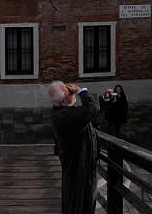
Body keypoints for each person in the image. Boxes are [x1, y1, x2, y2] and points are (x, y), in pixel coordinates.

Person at [50, 82, 96, 214]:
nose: (74, 93)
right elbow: (92, 109)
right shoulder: (66, 116)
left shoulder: (64, 113)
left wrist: (105, 100)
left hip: (79, 163)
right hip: (79, 166)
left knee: (76, 198)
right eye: (70, 92)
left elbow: (92, 118)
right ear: (63, 101)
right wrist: (82, 91)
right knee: (78, 200)